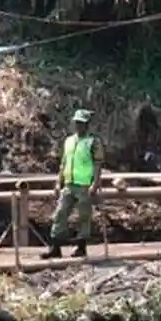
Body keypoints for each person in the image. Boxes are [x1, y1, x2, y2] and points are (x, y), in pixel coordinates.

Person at [44, 109, 103, 259]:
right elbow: (64, 163)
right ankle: (55, 247)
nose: (78, 126)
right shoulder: (69, 141)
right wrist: (58, 182)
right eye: (77, 123)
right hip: (69, 184)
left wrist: (95, 183)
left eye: (81, 123)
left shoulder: (93, 142)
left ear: (87, 125)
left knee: (83, 216)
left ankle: (81, 247)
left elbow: (98, 164)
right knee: (60, 213)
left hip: (84, 184)